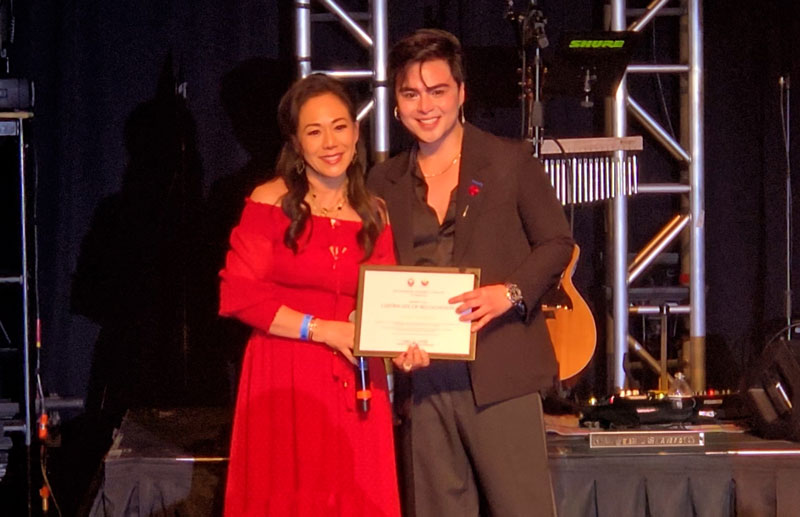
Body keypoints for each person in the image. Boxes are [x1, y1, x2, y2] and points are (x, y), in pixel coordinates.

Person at [368, 29, 574, 517]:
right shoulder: (383, 180)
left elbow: (557, 243)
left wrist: (511, 292)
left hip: (499, 368)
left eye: (438, 91)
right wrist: (390, 340)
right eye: (410, 94)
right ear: (396, 102)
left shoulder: (507, 160)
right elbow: (379, 276)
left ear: (462, 92)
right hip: (425, 382)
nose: (425, 107)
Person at [219, 73, 401, 516]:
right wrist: (321, 329)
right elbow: (238, 296)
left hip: (357, 383)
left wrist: (402, 345)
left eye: (340, 126)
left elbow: (388, 299)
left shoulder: (374, 210)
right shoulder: (269, 202)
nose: (330, 142)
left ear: (357, 132)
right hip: (285, 376)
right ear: (296, 144)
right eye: (313, 131)